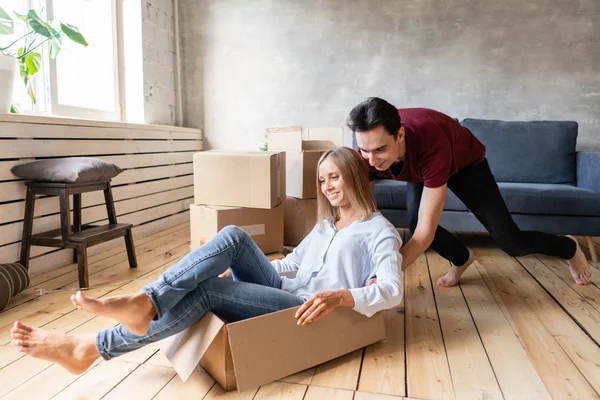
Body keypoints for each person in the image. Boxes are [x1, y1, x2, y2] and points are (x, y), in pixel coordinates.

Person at [10, 146, 403, 374]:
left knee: (208, 291)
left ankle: (90, 348)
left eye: (335, 177)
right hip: (285, 289)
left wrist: (341, 297)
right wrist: (238, 271)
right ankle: (147, 301)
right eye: (322, 180)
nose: (328, 187)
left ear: (354, 175)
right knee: (233, 236)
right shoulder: (326, 224)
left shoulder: (379, 232)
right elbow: (291, 264)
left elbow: (392, 290)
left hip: (307, 309)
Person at [347, 97, 591, 287]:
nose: (370, 160)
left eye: (379, 150)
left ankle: (568, 247)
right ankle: (462, 259)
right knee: (412, 221)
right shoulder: (367, 155)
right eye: (364, 150)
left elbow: (424, 235)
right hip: (420, 167)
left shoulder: (432, 146)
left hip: (467, 166)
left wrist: (386, 275)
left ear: (400, 135)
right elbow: (366, 213)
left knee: (512, 243)